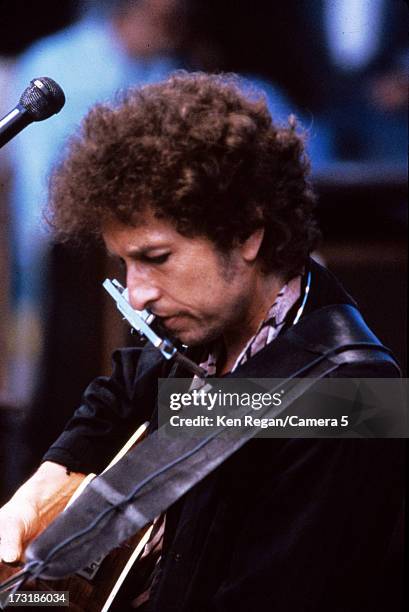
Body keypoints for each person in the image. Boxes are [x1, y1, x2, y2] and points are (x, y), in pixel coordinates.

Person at [0, 73, 404, 611]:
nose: (137, 294)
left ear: (247, 233)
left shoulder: (353, 400)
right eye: (124, 263)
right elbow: (122, 390)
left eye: (155, 258)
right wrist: (48, 482)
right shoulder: (204, 326)